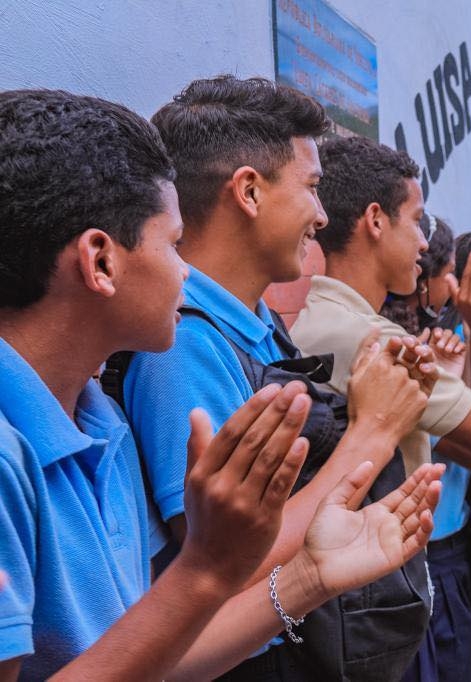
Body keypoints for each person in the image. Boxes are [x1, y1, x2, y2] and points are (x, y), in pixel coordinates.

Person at [0, 88, 440, 681]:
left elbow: (153, 653)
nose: (185, 271)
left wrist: (311, 575)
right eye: (170, 244)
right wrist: (372, 434)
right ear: (101, 262)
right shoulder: (17, 452)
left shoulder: (98, 418)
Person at [289, 134, 471, 677]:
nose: (424, 244)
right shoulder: (367, 338)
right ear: (375, 221)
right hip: (377, 595)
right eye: (416, 220)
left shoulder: (333, 324)